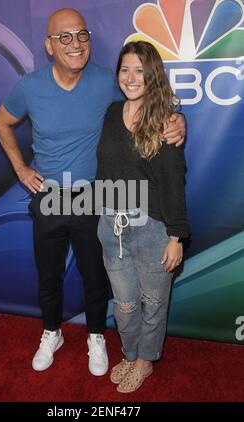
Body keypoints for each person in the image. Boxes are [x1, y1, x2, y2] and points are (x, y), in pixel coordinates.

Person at [0, 8, 186, 376]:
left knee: (95, 277)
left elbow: (150, 95)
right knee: (48, 276)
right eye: (64, 37)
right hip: (48, 196)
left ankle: (96, 335)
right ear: (49, 46)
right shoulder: (29, 86)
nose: (75, 43)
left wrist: (179, 121)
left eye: (81, 35)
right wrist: (21, 168)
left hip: (92, 197)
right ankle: (52, 332)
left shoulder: (106, 81)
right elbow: (1, 120)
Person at [96, 41, 190, 392]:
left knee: (153, 303)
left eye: (139, 70)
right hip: (111, 225)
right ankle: (131, 352)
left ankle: (145, 361)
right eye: (125, 69)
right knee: (123, 303)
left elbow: (173, 183)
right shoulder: (110, 113)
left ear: (152, 75)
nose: (131, 77)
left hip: (152, 228)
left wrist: (176, 237)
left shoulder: (167, 121)